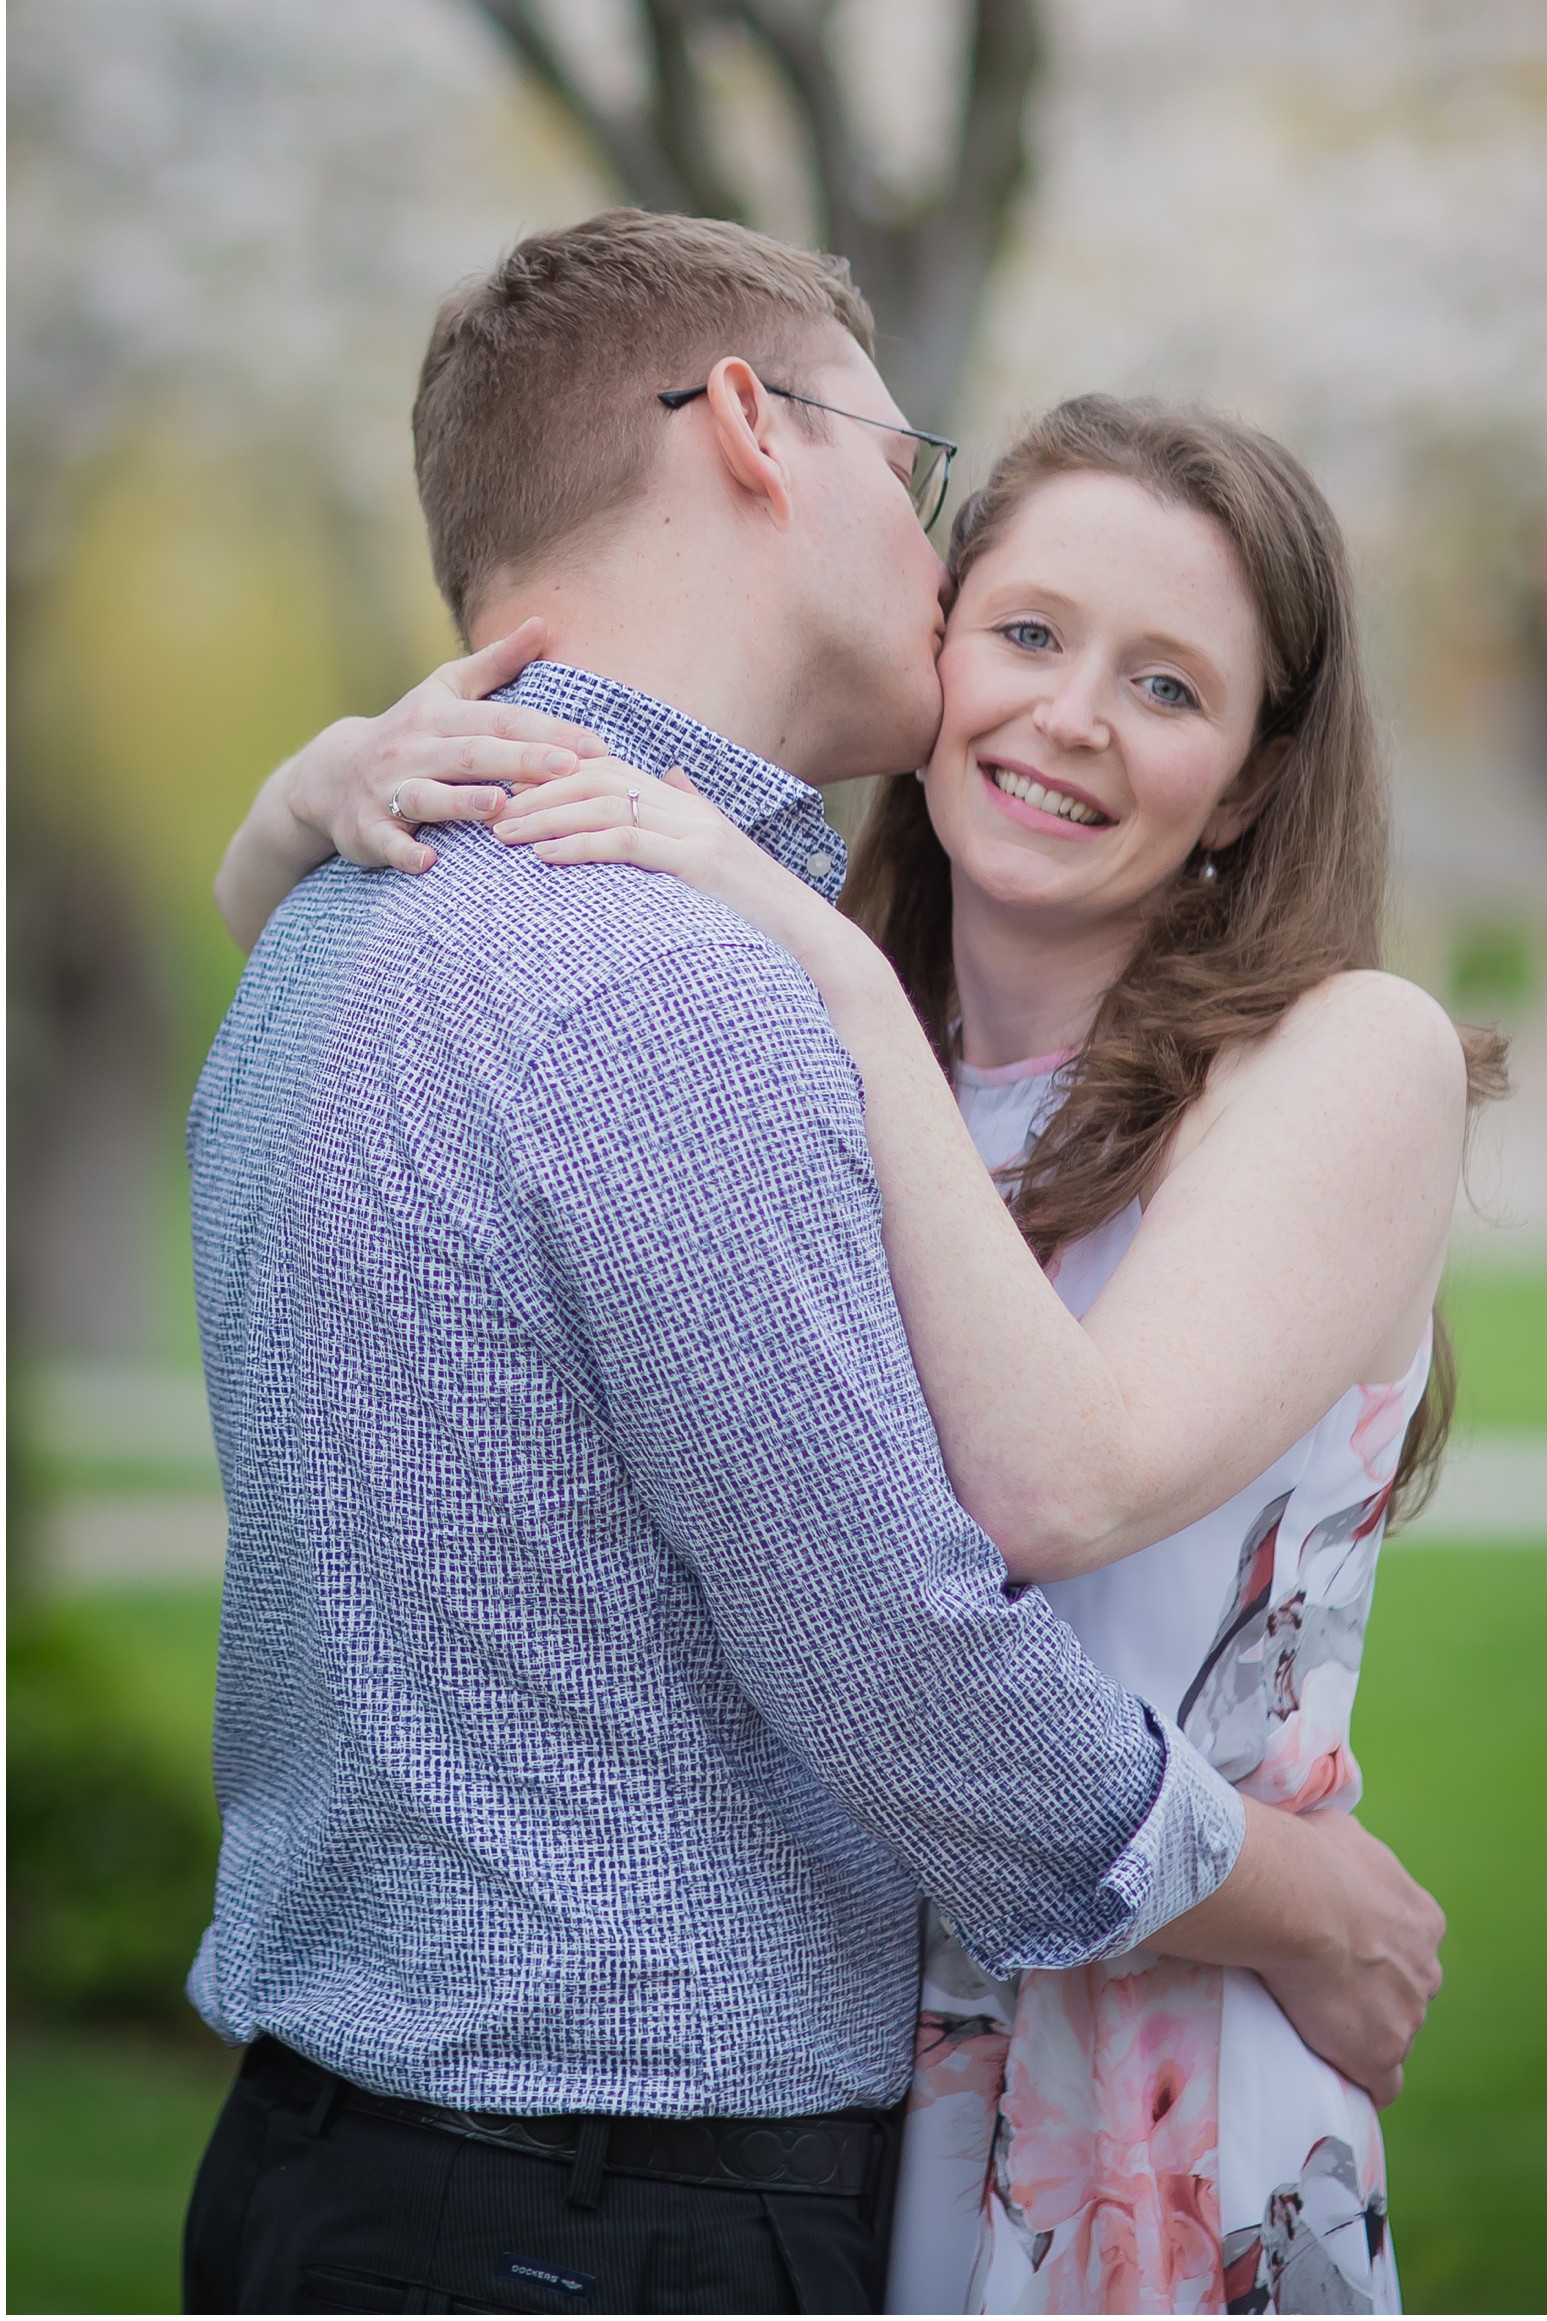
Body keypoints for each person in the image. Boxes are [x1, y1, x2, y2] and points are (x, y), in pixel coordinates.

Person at [190, 211, 1445, 2319]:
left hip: (1081, 2081)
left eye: (1166, 684)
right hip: (667, 2151)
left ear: (1251, 779)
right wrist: (1289, 1896)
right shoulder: (666, 984)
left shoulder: (560, 958)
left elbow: (1036, 1499)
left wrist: (810, 968)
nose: (1056, 708)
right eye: (1009, 612)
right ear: (757, 437)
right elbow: (910, 1652)